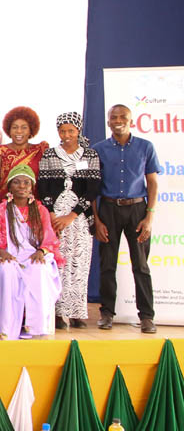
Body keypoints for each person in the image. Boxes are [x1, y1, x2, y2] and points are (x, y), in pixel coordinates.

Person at [93, 104, 160, 333]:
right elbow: (92, 189)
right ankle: (107, 314)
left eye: (123, 117)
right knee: (107, 265)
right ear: (108, 121)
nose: (118, 120)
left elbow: (152, 182)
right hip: (108, 211)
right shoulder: (99, 149)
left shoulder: (145, 147)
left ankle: (147, 317)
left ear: (132, 121)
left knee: (140, 265)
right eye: (114, 117)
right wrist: (97, 220)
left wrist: (149, 217)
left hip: (137, 211)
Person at [0, 165, 63, 340]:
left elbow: (49, 236)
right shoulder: (0, 210)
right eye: (17, 182)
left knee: (39, 270)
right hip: (7, 254)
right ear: (9, 187)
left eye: (26, 183)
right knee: (7, 270)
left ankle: (35, 326)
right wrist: (1, 252)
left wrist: (41, 251)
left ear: (32, 186)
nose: (22, 186)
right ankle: (6, 326)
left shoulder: (40, 210)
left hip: (33, 255)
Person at [38, 112, 101, 330]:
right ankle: (56, 313)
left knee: (79, 263)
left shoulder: (90, 155)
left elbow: (93, 189)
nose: (66, 135)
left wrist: (71, 215)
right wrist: (53, 216)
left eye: (70, 131)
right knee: (57, 263)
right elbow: (43, 187)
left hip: (80, 218)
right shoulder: (49, 155)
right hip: (54, 217)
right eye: (62, 131)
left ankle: (76, 314)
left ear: (78, 131)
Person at [0, 106, 49, 209]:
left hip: (34, 208)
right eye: (14, 127)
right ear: (9, 130)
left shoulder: (40, 150)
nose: (19, 131)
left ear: (31, 130)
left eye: (24, 127)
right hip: (5, 209)